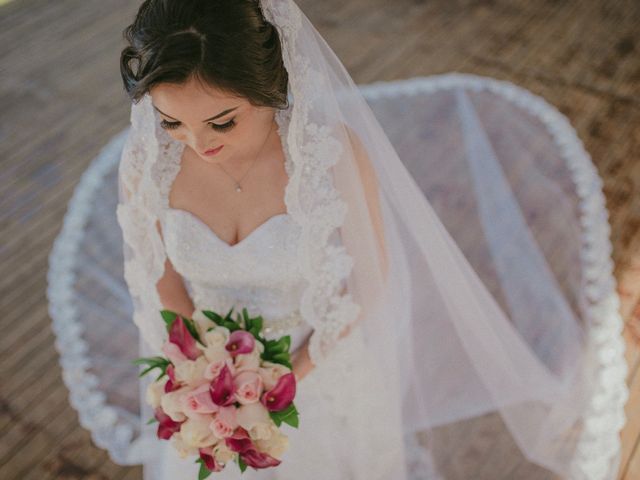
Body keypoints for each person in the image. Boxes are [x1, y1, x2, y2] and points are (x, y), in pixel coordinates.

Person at [109, 0, 624, 478]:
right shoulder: (151, 166)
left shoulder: (329, 157)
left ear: (270, 86)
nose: (197, 145)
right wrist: (199, 368)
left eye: (222, 121)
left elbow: (369, 280)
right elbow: (160, 272)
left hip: (317, 366)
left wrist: (284, 379)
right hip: (210, 382)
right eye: (171, 121)